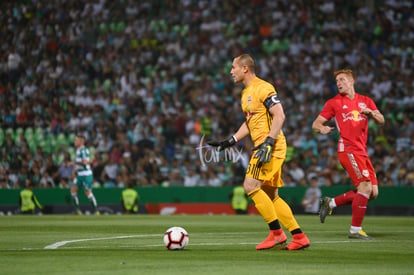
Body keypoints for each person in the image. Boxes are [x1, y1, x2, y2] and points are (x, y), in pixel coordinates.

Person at [208, 53, 310, 250]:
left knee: (250, 186)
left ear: (245, 68)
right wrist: (231, 141)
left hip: (268, 147)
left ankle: (277, 233)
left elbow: (280, 115)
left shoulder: (264, 88)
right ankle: (299, 237)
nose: (231, 71)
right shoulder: (245, 93)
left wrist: (269, 142)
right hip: (267, 146)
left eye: (233, 67)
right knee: (271, 196)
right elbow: (250, 122)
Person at [312, 69, 385, 240]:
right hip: (347, 149)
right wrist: (321, 128)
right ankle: (355, 230)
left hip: (362, 151)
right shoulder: (334, 103)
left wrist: (372, 113)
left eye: (342, 79)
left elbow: (381, 120)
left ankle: (330, 202)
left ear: (352, 81)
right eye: (337, 80)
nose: (338, 83)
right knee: (365, 187)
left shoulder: (366, 101)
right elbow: (316, 123)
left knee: (372, 193)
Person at [70, 134, 100, 215]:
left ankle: (96, 210)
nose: (75, 141)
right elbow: (87, 161)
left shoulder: (83, 150)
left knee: (88, 192)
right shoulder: (78, 150)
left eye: (76, 140)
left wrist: (74, 163)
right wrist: (76, 168)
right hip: (80, 175)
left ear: (81, 141)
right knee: (73, 190)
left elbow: (85, 162)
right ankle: (77, 210)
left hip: (86, 175)